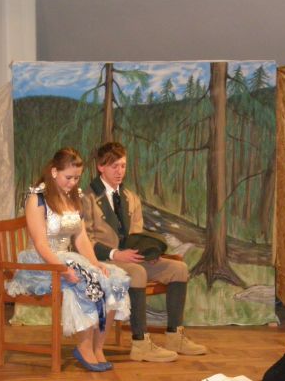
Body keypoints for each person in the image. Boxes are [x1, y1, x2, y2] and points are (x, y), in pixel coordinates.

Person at [5, 147, 131, 372]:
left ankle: (98, 347)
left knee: (113, 278)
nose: (72, 183)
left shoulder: (74, 198)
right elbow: (41, 244)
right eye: (68, 177)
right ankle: (84, 347)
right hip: (44, 263)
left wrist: (96, 263)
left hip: (68, 258)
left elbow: (81, 238)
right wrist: (62, 269)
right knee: (86, 281)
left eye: (77, 178)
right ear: (54, 172)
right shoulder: (37, 199)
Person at [82, 142, 207, 362]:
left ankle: (175, 336)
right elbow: (82, 240)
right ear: (100, 167)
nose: (120, 171)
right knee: (138, 272)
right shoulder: (87, 198)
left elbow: (136, 234)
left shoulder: (130, 197)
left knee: (178, 269)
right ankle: (140, 343)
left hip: (132, 258)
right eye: (114, 166)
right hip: (103, 260)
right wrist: (114, 254)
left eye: (123, 166)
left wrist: (148, 252)